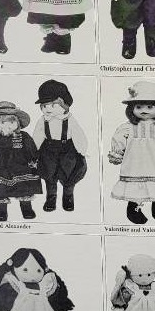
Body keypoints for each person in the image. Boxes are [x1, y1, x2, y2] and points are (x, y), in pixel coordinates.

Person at [108, 81, 155, 225]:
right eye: (139, 107)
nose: (144, 110)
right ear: (132, 109)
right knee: (135, 187)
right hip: (135, 164)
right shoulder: (127, 127)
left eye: (150, 107)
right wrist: (118, 153)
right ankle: (133, 207)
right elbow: (119, 141)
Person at [32, 79, 88, 212]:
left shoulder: (69, 119)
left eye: (52, 105)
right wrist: (34, 150)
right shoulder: (43, 120)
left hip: (67, 152)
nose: (47, 109)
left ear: (64, 104)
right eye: (44, 106)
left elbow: (78, 134)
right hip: (48, 151)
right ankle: (51, 198)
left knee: (69, 176)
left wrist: (82, 149)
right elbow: (38, 135)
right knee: (49, 176)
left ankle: (68, 197)